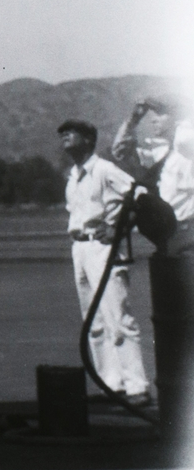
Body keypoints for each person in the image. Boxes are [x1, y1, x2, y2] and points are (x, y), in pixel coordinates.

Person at [57, 118, 151, 404]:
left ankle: (137, 386)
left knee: (117, 316)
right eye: (62, 133)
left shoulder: (105, 169)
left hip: (103, 248)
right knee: (94, 320)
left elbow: (139, 196)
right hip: (80, 247)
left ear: (88, 139)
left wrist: (117, 228)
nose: (64, 136)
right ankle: (111, 383)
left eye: (71, 132)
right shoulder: (74, 175)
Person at [111, 100, 194, 243]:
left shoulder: (187, 145)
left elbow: (184, 138)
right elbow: (120, 151)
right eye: (152, 116)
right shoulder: (158, 150)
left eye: (161, 114)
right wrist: (133, 120)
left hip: (188, 230)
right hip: (167, 232)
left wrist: (182, 119)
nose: (153, 120)